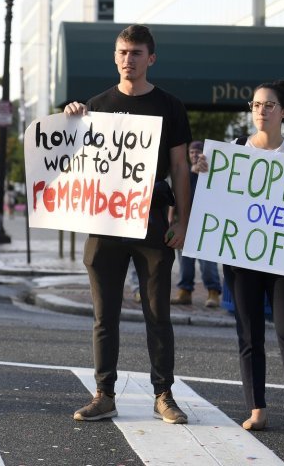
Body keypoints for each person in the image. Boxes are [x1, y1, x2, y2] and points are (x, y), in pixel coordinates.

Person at [64, 25, 192, 424]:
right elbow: (72, 164)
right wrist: (72, 122)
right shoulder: (96, 105)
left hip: (152, 220)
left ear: (150, 58)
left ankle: (164, 395)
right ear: (115, 56)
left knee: (158, 314)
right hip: (105, 222)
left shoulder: (170, 106)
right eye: (122, 52)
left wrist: (183, 221)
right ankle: (104, 394)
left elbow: (179, 168)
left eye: (136, 53)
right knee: (105, 316)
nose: (128, 59)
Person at [195, 80, 284, 436]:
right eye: (255, 105)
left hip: (283, 261)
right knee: (249, 335)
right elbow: (216, 202)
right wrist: (205, 173)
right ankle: (257, 409)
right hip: (242, 258)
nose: (261, 111)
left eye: (268, 105)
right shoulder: (232, 151)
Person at [171, 141, 222, 307]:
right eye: (191, 152)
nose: (194, 155)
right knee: (185, 261)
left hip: (206, 224)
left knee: (208, 262)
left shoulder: (211, 172)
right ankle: (185, 292)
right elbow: (173, 197)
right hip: (185, 223)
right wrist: (171, 218)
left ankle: (213, 292)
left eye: (197, 152)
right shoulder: (183, 171)